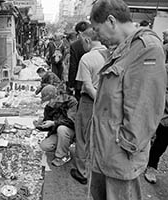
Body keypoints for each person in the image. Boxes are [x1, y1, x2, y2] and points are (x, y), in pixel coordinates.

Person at [89, 0, 167, 199]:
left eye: (98, 30)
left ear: (111, 21)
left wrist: (124, 148)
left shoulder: (146, 49)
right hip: (105, 152)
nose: (97, 37)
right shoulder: (123, 49)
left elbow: (145, 110)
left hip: (119, 157)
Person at [70, 28, 108, 185]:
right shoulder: (112, 54)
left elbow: (88, 86)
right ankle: (99, 170)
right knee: (101, 136)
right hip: (109, 101)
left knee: (82, 136)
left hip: (90, 101)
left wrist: (98, 101)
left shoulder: (87, 58)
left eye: (82, 41)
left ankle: (82, 172)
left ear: (87, 40)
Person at [143, 29, 168, 184]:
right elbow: (158, 88)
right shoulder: (165, 68)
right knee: (158, 139)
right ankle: (151, 165)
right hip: (162, 112)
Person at [35, 85, 78, 167]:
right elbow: (48, 124)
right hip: (58, 132)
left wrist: (53, 123)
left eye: (49, 101)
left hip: (72, 130)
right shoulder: (49, 106)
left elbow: (72, 121)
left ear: (55, 96)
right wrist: (40, 125)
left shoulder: (70, 101)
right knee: (44, 146)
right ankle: (62, 146)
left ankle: (62, 156)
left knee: (62, 129)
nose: (48, 104)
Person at [68, 21, 91, 101]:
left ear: (79, 32)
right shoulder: (98, 43)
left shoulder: (75, 46)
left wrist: (71, 84)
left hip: (80, 82)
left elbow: (73, 66)